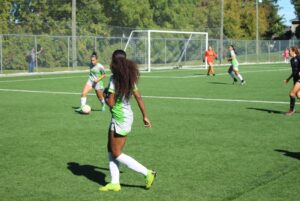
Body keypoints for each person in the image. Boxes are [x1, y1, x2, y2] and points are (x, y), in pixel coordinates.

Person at [99, 50, 156, 192]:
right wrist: (145, 116)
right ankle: (115, 182)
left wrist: (104, 96)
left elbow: (111, 103)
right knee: (110, 150)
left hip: (120, 117)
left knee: (117, 153)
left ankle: (147, 173)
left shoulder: (114, 79)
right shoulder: (129, 77)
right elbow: (139, 97)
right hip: (125, 115)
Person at [283, 46, 300, 116]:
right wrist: (288, 79)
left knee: (291, 93)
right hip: (295, 79)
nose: (289, 52)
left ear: (294, 51)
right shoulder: (291, 60)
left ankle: (291, 110)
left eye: (290, 51)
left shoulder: (299, 58)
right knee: (298, 95)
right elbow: (293, 72)